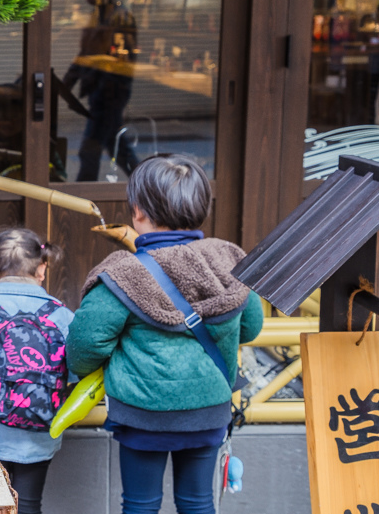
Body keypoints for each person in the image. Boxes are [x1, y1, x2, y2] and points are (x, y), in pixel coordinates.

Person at [66, 155, 263, 514]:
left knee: (140, 504)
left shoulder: (121, 274)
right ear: (201, 209)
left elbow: (85, 344)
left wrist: (92, 375)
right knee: (199, 503)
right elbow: (251, 327)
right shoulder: (228, 262)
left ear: (137, 210)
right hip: (208, 408)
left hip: (142, 413)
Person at [0, 228, 73, 514]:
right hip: (40, 429)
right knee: (30, 503)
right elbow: (73, 371)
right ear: (42, 269)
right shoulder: (60, 314)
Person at [58, 0, 139, 181]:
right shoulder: (97, 16)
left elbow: (122, 63)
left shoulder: (120, 18)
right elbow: (85, 55)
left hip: (110, 95)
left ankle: (83, 201)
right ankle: (148, 185)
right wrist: (64, 85)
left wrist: (106, 96)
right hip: (99, 95)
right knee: (118, 148)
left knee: (89, 150)